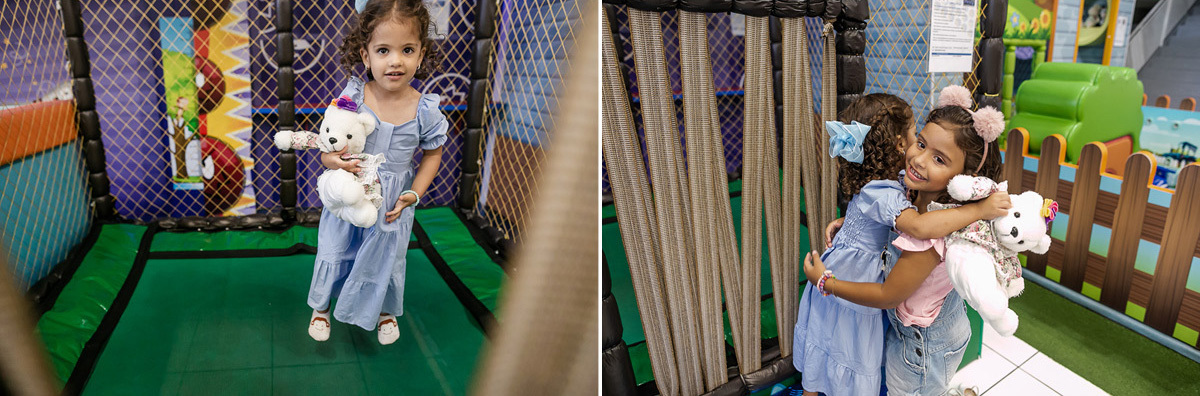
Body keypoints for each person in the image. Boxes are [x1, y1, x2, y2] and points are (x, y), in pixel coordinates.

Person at [791, 92, 1010, 396]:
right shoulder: (913, 193)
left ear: (965, 179)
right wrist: (854, 224)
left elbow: (889, 290)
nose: (918, 159)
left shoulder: (931, 233)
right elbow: (890, 213)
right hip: (921, 333)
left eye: (938, 159)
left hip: (922, 349)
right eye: (920, 143)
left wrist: (826, 281)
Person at [306, 0, 447, 345]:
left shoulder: (424, 109)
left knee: (388, 256)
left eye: (407, 49)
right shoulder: (353, 96)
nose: (395, 60)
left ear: (421, 53)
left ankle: (385, 310)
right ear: (366, 56)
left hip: (391, 202)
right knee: (336, 248)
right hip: (351, 193)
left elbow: (433, 154)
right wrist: (335, 163)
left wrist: (414, 193)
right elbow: (328, 149)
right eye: (383, 50)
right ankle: (321, 307)